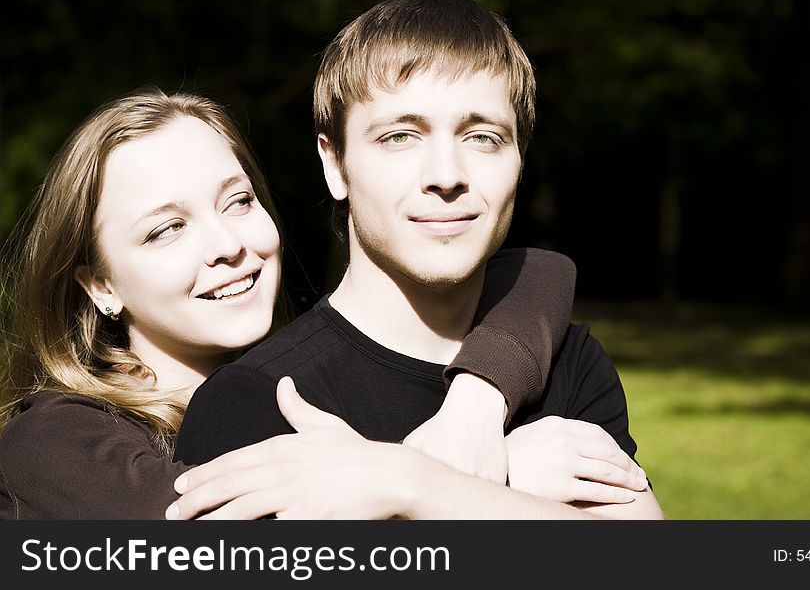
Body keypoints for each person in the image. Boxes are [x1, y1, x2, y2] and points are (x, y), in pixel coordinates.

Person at [170, 0, 663, 519]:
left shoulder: (566, 360)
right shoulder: (255, 402)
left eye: (482, 137)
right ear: (334, 164)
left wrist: (422, 489)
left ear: (520, 156)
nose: (447, 176)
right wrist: (496, 492)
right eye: (401, 137)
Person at [0, 86, 582, 519]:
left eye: (238, 202)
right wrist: (462, 483)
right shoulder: (51, 442)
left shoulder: (304, 379)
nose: (228, 245)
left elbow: (538, 272)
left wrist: (477, 403)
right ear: (99, 285)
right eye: (166, 230)